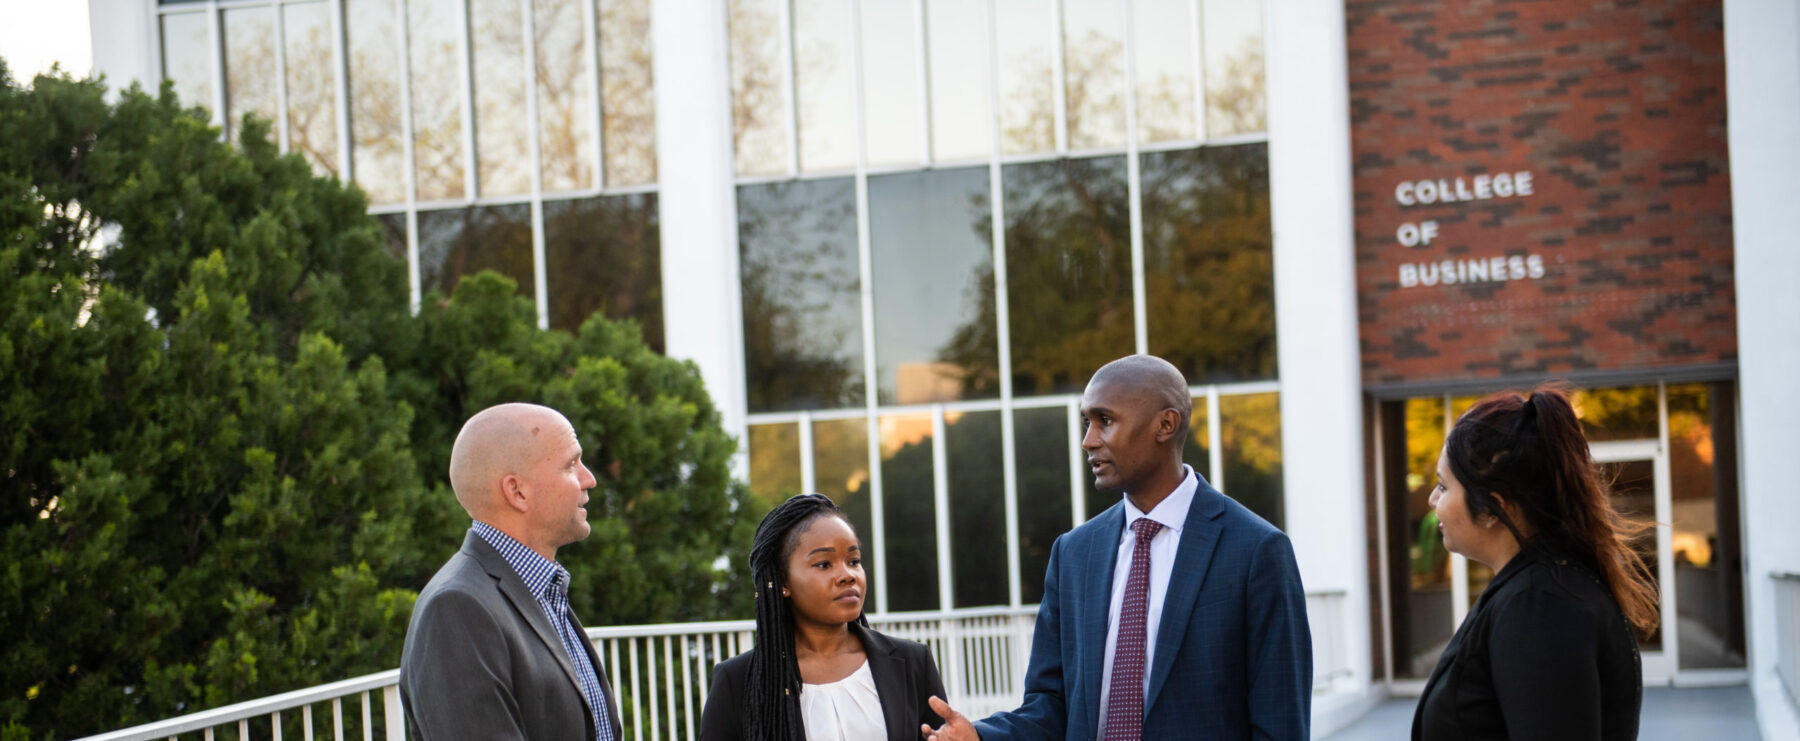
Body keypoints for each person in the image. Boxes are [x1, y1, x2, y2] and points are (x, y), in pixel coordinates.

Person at [926, 355, 1312, 741]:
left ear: (1165, 424)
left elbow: (1280, 721)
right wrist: (981, 736)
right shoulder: (1073, 554)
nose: (1088, 441)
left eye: (1105, 421)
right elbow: (1051, 705)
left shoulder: (1257, 551)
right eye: (1086, 423)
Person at [1411, 388, 1657, 740]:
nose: (1432, 499)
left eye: (1443, 485)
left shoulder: (1540, 604)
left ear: (1495, 507)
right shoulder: (1538, 590)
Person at [399, 403, 622, 741]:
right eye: (571, 464)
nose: (588, 479)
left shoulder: (541, 590)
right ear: (517, 492)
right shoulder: (456, 608)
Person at [699, 493, 946, 741]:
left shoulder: (912, 662)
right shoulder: (737, 682)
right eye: (824, 564)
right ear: (783, 582)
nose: (848, 575)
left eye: (854, 560)